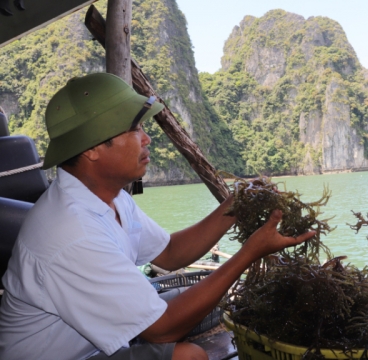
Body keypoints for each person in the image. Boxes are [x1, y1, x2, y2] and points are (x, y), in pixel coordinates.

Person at [0, 73, 314, 360]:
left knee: (229, 297)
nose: (147, 138)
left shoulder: (111, 197)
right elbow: (161, 329)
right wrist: (250, 252)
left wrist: (237, 205)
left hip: (97, 338)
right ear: (92, 149)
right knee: (189, 357)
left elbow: (169, 252)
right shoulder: (72, 232)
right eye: (135, 128)